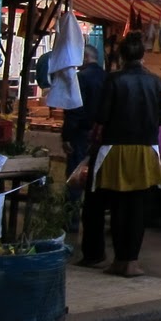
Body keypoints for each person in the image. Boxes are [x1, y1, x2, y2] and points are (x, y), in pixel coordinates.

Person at [81, 31, 161, 277]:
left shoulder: (114, 80)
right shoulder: (155, 82)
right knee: (138, 206)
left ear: (121, 56)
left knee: (118, 204)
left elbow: (102, 116)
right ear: (142, 55)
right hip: (145, 150)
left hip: (115, 149)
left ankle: (119, 261)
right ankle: (131, 261)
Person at [62, 46, 105, 209]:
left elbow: (75, 109)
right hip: (101, 134)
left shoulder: (80, 78)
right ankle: (92, 212)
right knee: (97, 174)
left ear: (86, 57)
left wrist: (67, 135)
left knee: (76, 174)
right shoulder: (107, 77)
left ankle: (71, 215)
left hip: (81, 132)